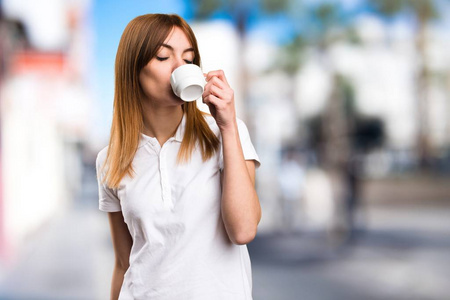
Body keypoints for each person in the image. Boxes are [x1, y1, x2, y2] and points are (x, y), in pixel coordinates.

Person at [96, 14, 261, 300]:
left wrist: (228, 126)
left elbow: (243, 230)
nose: (179, 67)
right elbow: (124, 264)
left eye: (188, 59)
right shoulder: (111, 159)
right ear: (133, 69)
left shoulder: (225, 133)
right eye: (162, 56)